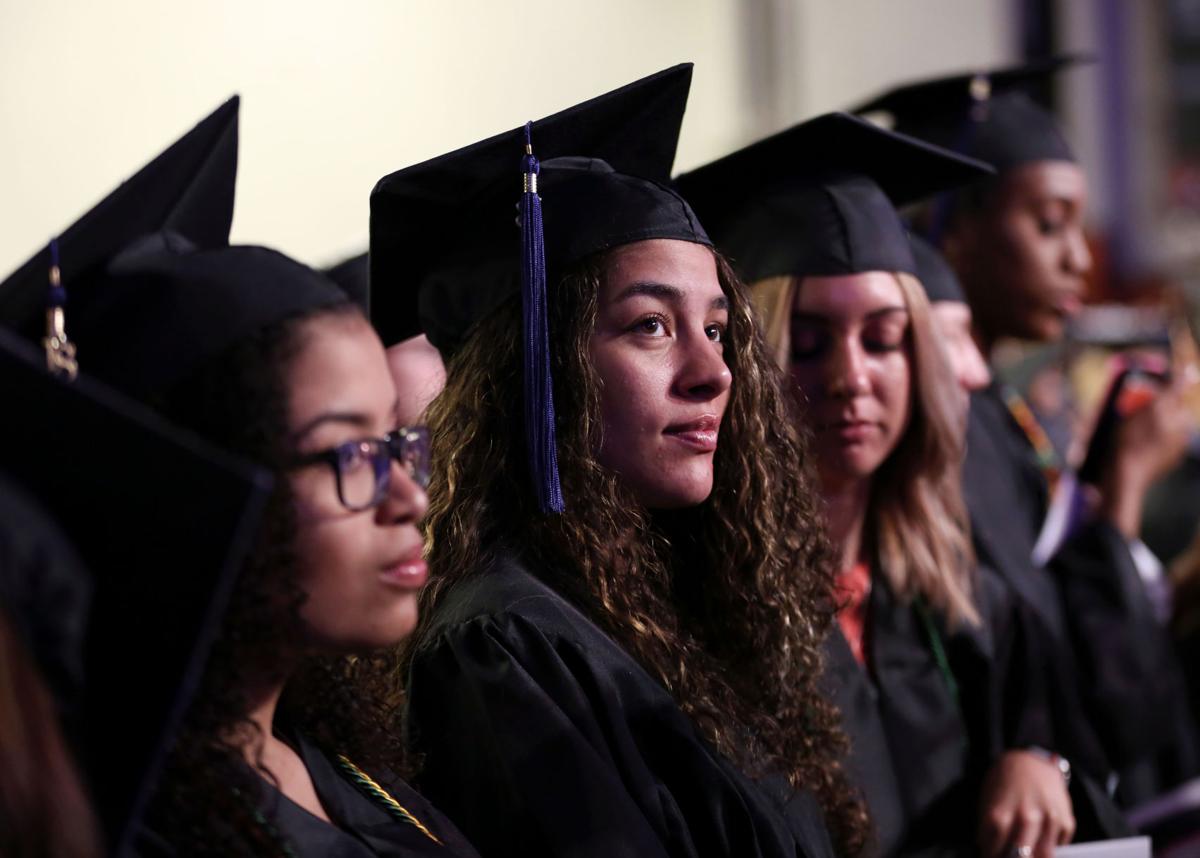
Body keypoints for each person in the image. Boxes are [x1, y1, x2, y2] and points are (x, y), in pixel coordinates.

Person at [371, 65, 861, 858]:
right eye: (651, 327)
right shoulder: (503, 647)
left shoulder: (684, 609)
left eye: (717, 329)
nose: (714, 372)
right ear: (536, 368)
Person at [0, 98, 479, 857]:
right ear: (203, 491)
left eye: (395, 442)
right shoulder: (143, 829)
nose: (409, 496)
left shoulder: (333, 760)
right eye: (351, 454)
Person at [678, 112, 1082, 858]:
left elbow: (1050, 728)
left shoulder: (957, 599)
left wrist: (1035, 760)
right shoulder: (704, 624)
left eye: (884, 338)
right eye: (806, 342)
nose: (850, 378)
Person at [856, 58, 1200, 806]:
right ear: (952, 228)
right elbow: (1087, 689)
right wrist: (1129, 489)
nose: (1080, 257)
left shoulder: (999, 408)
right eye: (1049, 224)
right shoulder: (936, 432)